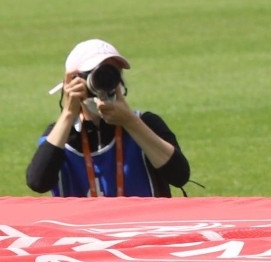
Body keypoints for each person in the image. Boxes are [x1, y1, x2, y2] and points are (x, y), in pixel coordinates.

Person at [26, 39, 190, 197]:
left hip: (143, 224)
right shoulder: (60, 136)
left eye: (114, 73)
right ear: (73, 81)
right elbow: (37, 182)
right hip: (83, 226)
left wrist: (131, 122)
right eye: (98, 74)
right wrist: (68, 113)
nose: (106, 81)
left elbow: (179, 176)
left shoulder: (146, 123)